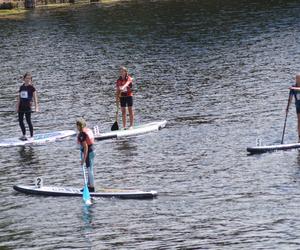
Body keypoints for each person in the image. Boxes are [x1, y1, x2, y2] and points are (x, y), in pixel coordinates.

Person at [16, 72, 39, 141]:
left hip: (28, 107)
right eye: (27, 78)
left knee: (28, 121)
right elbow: (19, 98)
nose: (28, 80)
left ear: (31, 80)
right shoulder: (21, 87)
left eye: (29, 78)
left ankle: (31, 136)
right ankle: (24, 135)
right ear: (24, 79)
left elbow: (35, 98)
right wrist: (17, 107)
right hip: (21, 107)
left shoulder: (32, 88)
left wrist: (36, 108)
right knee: (20, 121)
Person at [76, 118, 95, 192]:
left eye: (77, 125)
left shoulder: (82, 134)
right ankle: (88, 185)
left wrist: (83, 159)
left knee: (90, 170)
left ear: (79, 126)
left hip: (88, 152)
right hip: (93, 151)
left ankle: (92, 188)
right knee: (90, 169)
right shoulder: (88, 130)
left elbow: (85, 147)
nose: (76, 127)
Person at [287, 74, 300, 142]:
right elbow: (290, 99)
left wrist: (293, 88)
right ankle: (299, 138)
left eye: (299, 79)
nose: (298, 80)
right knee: (299, 121)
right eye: (297, 79)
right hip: (298, 107)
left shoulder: (293, 88)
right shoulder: (293, 87)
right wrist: (287, 108)